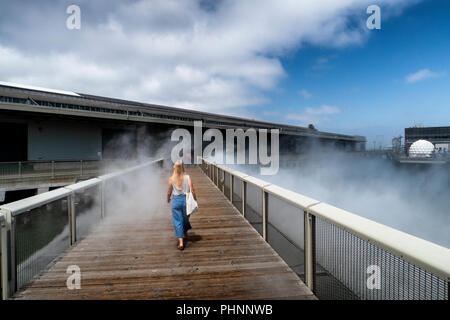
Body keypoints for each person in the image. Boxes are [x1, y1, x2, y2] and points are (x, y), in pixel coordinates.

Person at [167, 160, 197, 250]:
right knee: (185, 218)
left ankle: (181, 243)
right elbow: (192, 189)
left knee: (177, 221)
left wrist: (168, 199)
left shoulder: (171, 179)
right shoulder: (187, 177)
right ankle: (185, 233)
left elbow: (169, 191)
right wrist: (195, 199)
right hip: (186, 200)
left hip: (176, 201)